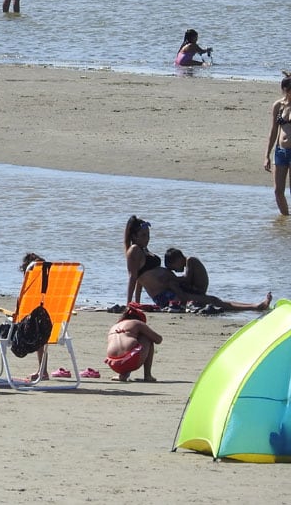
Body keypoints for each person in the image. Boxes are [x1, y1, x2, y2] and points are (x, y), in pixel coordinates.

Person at [124, 216, 270, 311]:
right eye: (143, 235)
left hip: (174, 288)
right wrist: (130, 305)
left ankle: (254, 305)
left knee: (213, 299)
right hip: (166, 295)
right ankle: (256, 306)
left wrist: (137, 302)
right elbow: (133, 277)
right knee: (212, 300)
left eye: (148, 235)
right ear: (134, 236)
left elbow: (140, 281)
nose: (147, 238)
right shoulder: (134, 250)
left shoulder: (144, 249)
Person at [104, 304, 162, 382]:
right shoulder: (137, 323)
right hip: (131, 362)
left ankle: (122, 375)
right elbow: (158, 340)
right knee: (147, 338)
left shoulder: (114, 327)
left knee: (126, 347)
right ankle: (148, 375)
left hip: (113, 364)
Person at [264, 74, 291, 215]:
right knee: (277, 191)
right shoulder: (278, 106)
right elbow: (273, 131)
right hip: (280, 152)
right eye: (286, 90)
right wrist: (266, 155)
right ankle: (286, 218)